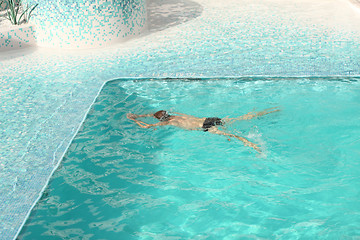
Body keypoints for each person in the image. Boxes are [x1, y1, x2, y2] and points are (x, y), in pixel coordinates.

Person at [127, 108, 280, 152]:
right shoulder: (176, 114)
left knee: (232, 136)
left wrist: (136, 120)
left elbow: (147, 126)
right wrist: (141, 114)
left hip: (205, 127)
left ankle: (254, 146)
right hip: (208, 119)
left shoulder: (167, 123)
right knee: (240, 118)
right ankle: (266, 112)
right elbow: (157, 114)